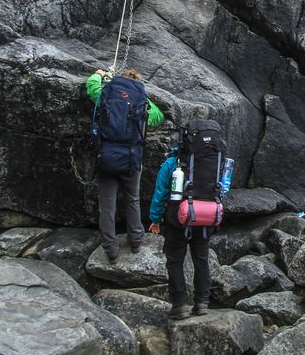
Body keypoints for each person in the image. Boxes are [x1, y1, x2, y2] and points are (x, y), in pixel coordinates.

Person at [86, 68, 164, 261]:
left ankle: (111, 249)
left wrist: (100, 74)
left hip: (107, 155)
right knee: (132, 199)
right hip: (131, 157)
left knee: (107, 206)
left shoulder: (107, 92)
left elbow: (91, 87)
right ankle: (136, 240)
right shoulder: (142, 100)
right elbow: (157, 116)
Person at [148, 146, 217, 320]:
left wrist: (155, 218)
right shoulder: (215, 162)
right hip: (206, 216)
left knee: (175, 261)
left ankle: (180, 305)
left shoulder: (172, 163)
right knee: (201, 258)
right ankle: (202, 302)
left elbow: (161, 192)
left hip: (177, 218)